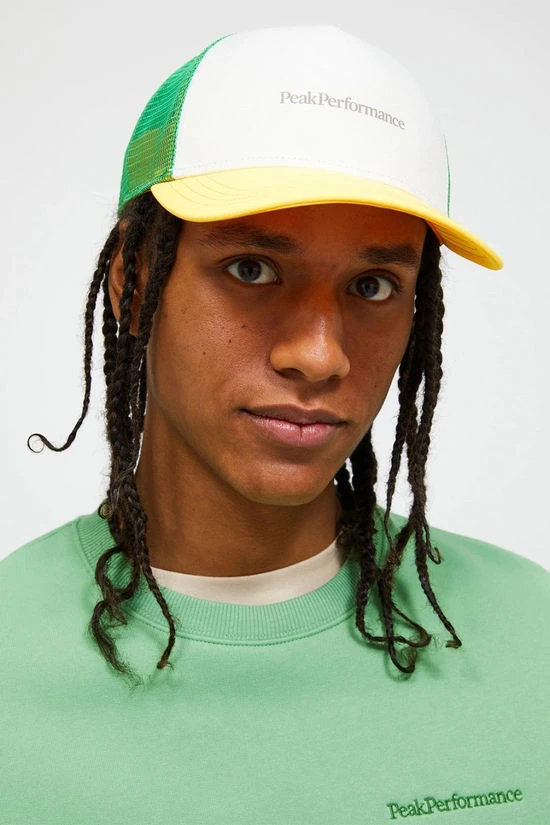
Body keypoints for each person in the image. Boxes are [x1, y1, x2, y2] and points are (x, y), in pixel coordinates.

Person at [1, 24, 548, 825]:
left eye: (372, 284)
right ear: (132, 281)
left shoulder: (534, 637)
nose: (320, 355)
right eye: (251, 269)